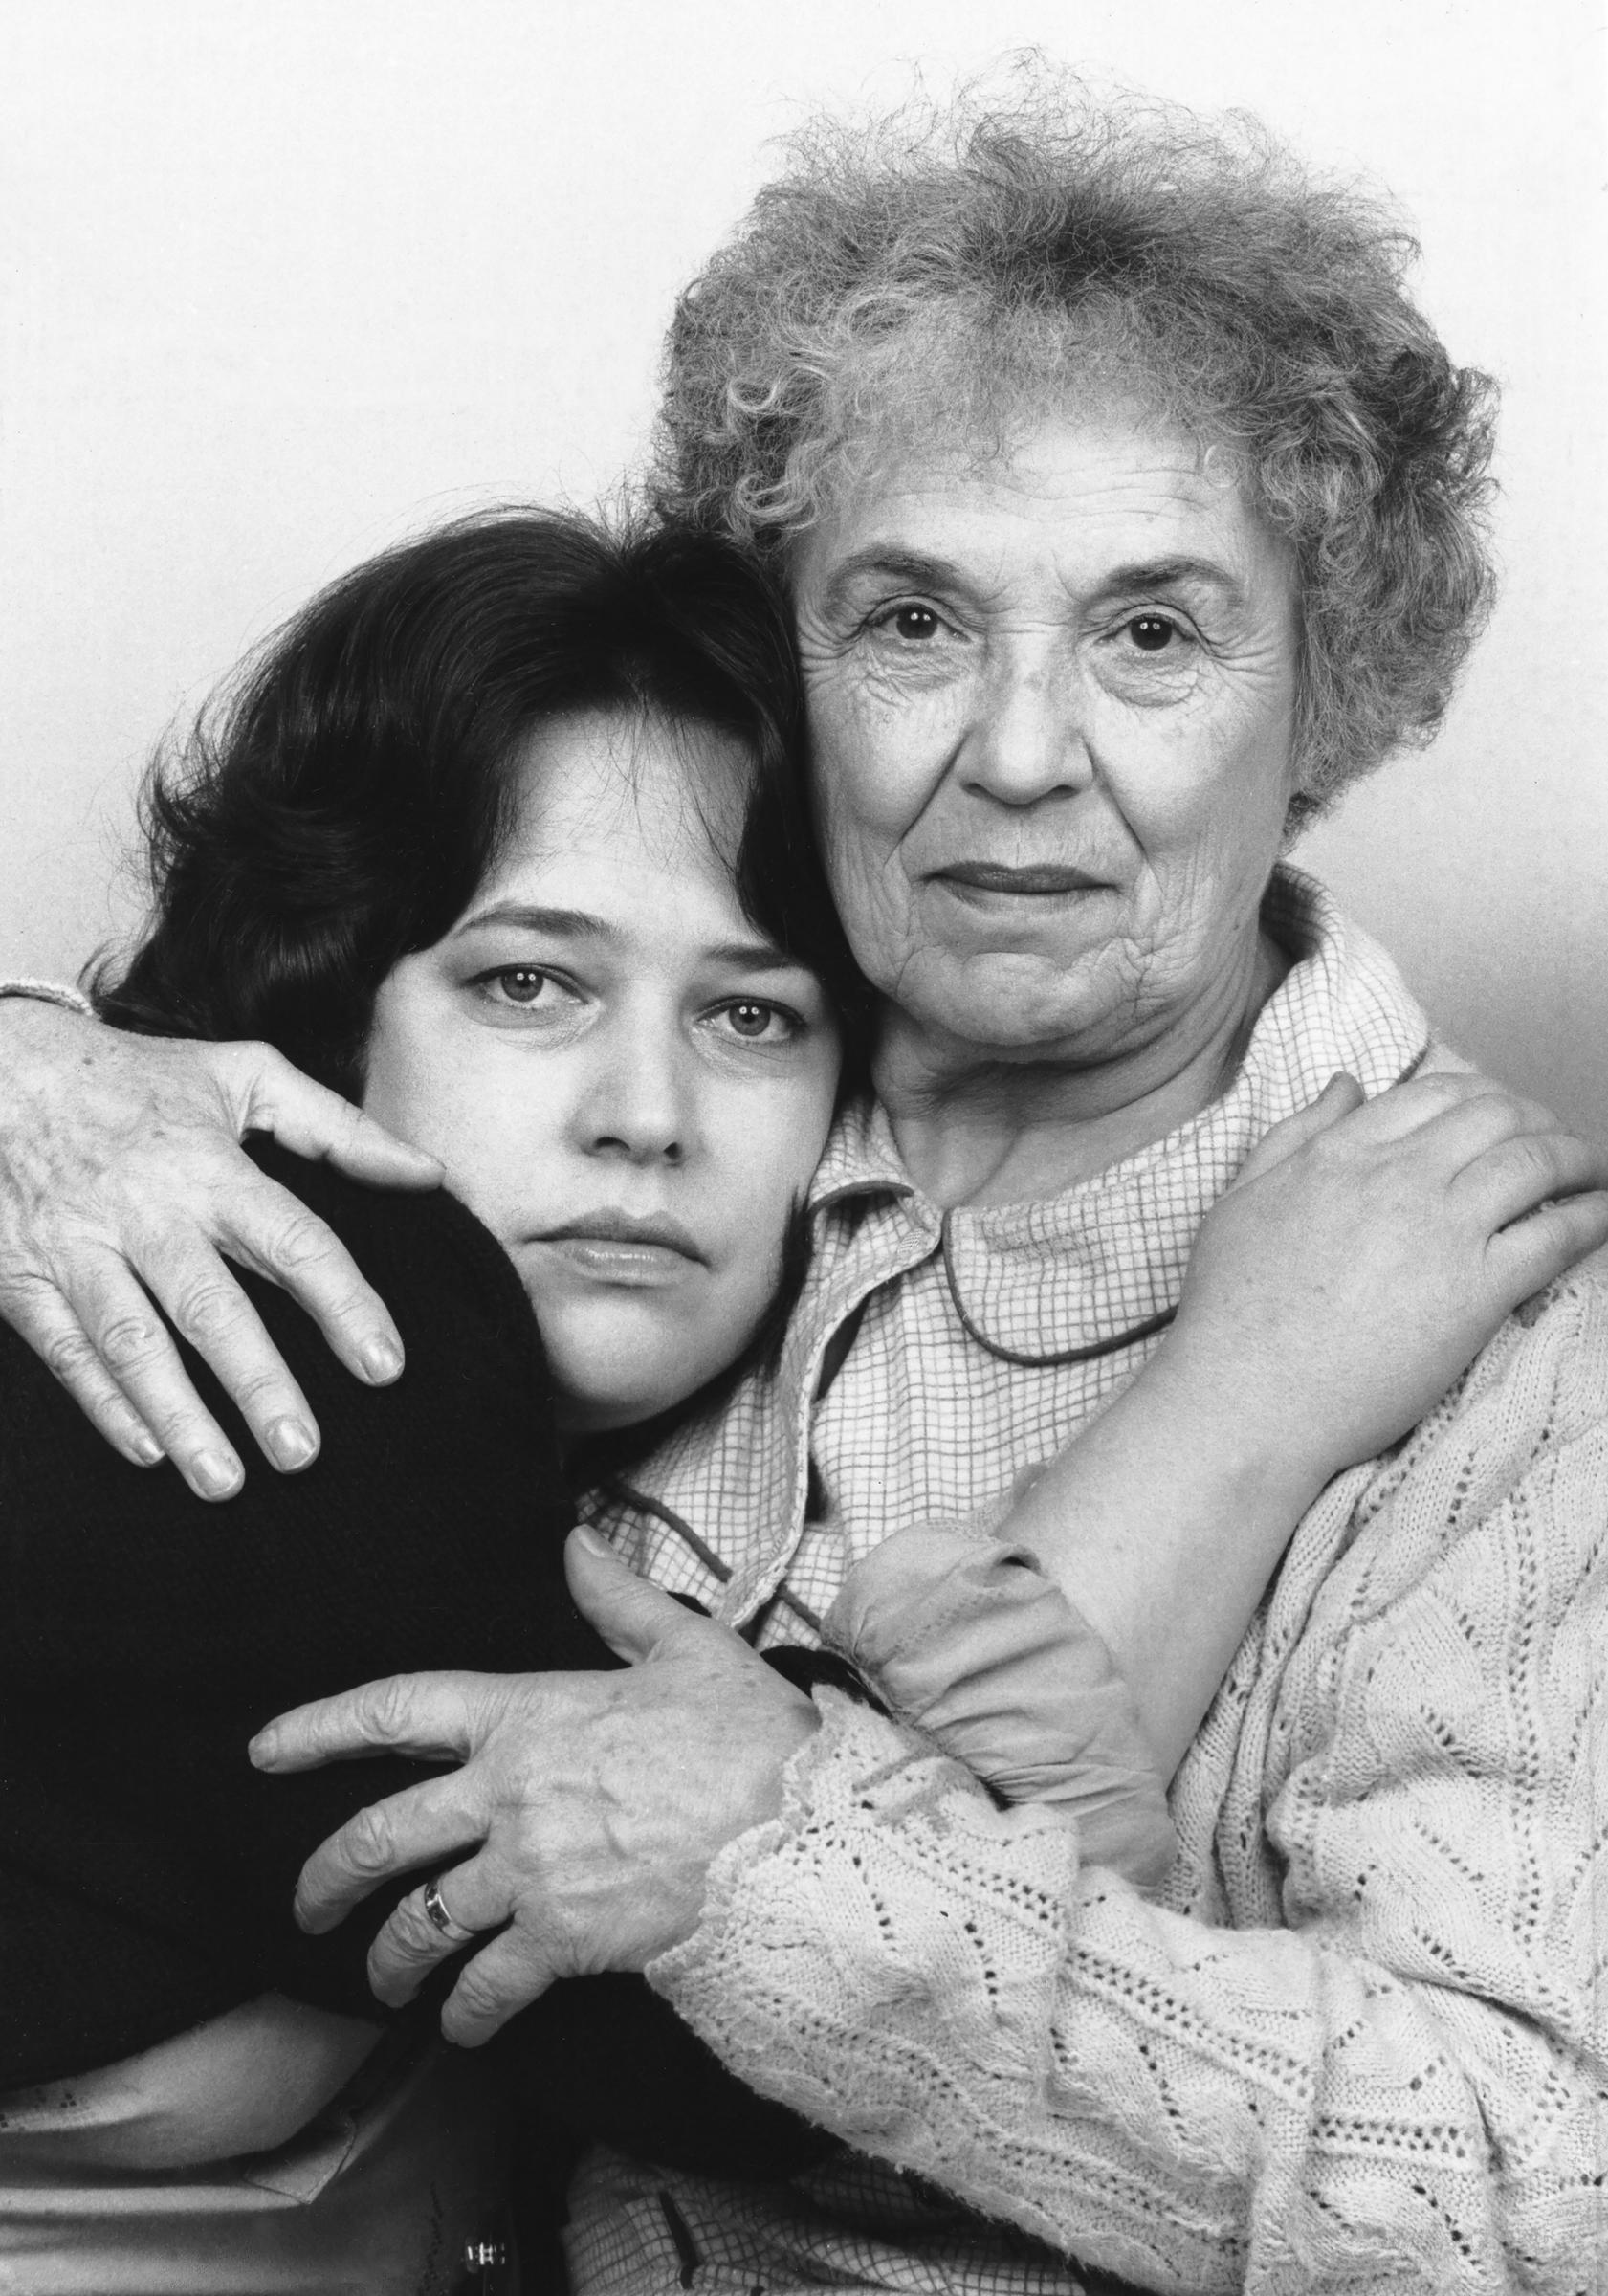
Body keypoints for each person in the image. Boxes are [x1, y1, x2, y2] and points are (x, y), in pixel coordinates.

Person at [3, 78, 1607, 2296]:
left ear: (1334, 685)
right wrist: (31, 1071)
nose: (1020, 752)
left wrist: (781, 1863)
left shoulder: (1516, 1342)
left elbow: (1531, 2206)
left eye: (1153, 632)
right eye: (914, 623)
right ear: (787, 666)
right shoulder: (613, 1163)